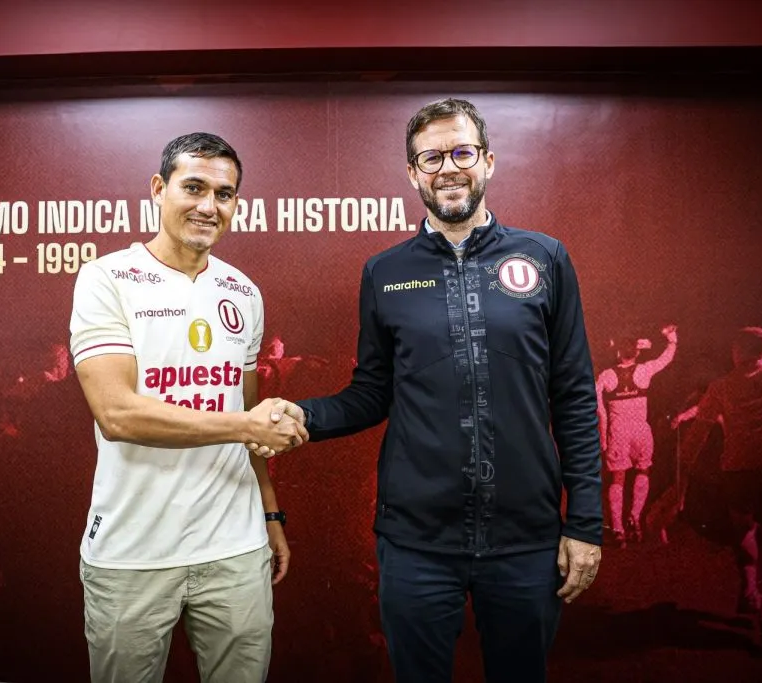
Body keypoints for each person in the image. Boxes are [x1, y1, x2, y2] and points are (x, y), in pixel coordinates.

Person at [254, 98, 603, 683]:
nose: (449, 168)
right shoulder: (384, 271)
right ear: (413, 173)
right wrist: (303, 416)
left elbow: (573, 396)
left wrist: (585, 525)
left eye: (462, 152)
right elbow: (372, 391)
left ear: (488, 161)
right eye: (432, 157)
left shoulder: (545, 257)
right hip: (416, 542)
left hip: (526, 537)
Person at [68, 132, 307, 683]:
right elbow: (118, 414)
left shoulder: (243, 292)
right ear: (159, 188)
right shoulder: (108, 279)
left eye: (223, 194)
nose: (208, 206)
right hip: (133, 550)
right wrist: (246, 423)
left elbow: (247, 421)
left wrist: (268, 512)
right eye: (193, 187)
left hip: (236, 547)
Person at [674, 326, 762, 654]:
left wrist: (680, 485)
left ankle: (747, 587)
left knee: (743, 529)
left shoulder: (722, 387)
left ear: (736, 351)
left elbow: (697, 438)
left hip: (738, 471)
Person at [596, 324, 678, 546]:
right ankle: (635, 517)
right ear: (637, 351)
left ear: (617, 352)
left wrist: (603, 437)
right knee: (643, 470)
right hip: (641, 429)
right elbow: (666, 359)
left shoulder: (606, 375)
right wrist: (672, 339)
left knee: (618, 477)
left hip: (618, 429)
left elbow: (599, 410)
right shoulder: (644, 370)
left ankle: (618, 528)